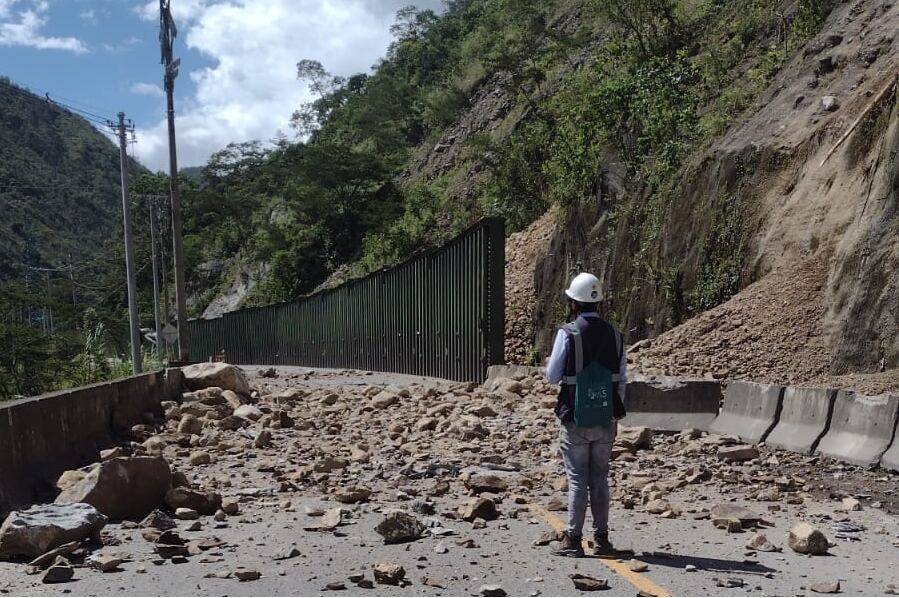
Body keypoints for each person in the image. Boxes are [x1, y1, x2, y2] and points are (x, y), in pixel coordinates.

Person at [546, 272, 626, 557]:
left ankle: (573, 539)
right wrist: (613, 414)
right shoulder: (615, 335)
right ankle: (602, 540)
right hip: (606, 417)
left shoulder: (567, 333)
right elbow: (621, 380)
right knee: (600, 478)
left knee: (578, 479)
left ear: (573, 303)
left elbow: (552, 376)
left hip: (575, 417)